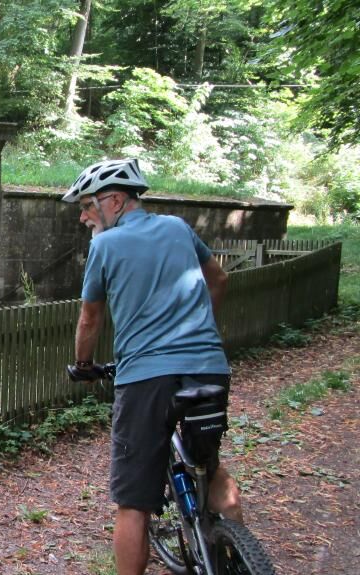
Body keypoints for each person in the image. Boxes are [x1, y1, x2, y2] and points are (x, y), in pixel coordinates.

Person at [62, 158, 244, 575]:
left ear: (115, 201)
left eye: (88, 206)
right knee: (209, 465)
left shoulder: (105, 246)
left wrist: (84, 364)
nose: (83, 216)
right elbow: (219, 279)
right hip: (208, 367)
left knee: (134, 502)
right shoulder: (178, 228)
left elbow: (90, 318)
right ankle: (237, 560)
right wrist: (202, 331)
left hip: (147, 378)